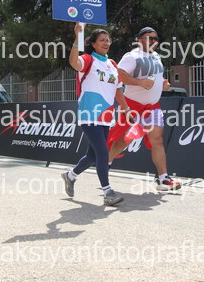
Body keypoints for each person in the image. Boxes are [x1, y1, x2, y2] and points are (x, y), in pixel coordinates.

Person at [61, 23, 130, 206]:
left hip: (106, 116)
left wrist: (126, 109)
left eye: (108, 40)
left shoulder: (112, 64)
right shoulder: (88, 60)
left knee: (92, 156)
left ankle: (70, 176)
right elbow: (73, 62)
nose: (106, 43)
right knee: (102, 152)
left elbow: (118, 90)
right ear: (93, 44)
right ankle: (108, 192)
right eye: (102, 40)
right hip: (89, 113)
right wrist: (77, 37)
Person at [107, 27, 182, 191]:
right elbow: (119, 75)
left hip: (153, 107)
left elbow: (155, 76)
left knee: (157, 139)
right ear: (140, 40)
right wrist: (140, 83)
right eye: (150, 38)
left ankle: (163, 179)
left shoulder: (156, 57)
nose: (154, 41)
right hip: (132, 106)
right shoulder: (132, 56)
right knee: (123, 140)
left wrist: (163, 83)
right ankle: (104, 165)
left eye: (156, 38)